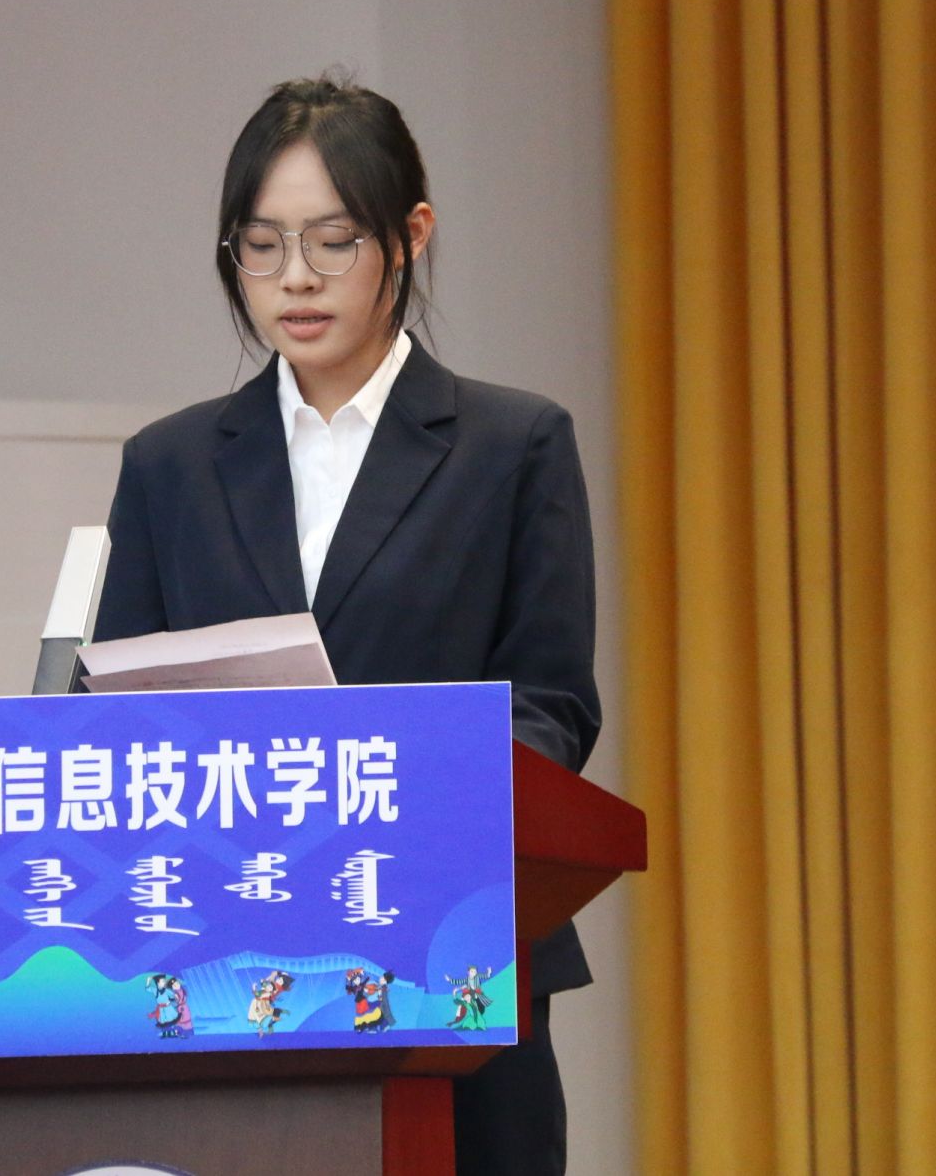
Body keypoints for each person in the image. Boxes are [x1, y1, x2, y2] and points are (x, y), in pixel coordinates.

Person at [96, 74, 598, 1176]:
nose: (295, 278)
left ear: (410, 236)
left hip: (454, 961)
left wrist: (400, 805)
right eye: (260, 245)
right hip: (232, 968)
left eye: (332, 241)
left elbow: (552, 708)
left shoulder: (511, 445)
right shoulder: (170, 465)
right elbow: (114, 724)